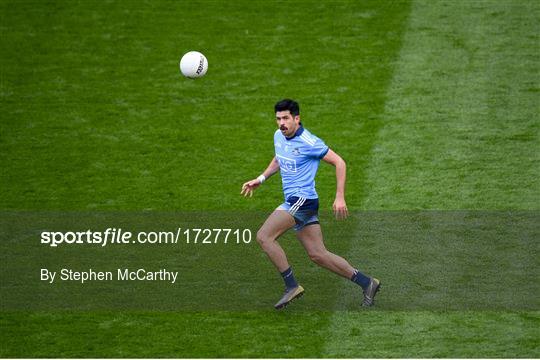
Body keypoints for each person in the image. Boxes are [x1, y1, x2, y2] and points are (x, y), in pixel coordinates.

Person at [241, 99, 380, 309]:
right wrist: (260, 179)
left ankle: (292, 286)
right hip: (296, 201)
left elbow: (339, 162)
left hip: (302, 201)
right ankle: (368, 283)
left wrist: (340, 196)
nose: (281, 123)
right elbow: (279, 158)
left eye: (286, 118)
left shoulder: (309, 142)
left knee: (264, 236)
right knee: (318, 255)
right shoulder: (279, 135)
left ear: (297, 118)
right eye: (278, 118)